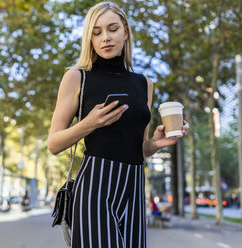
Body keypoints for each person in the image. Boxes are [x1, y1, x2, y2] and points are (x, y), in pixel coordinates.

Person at [47, 2, 188, 248]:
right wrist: (88, 124)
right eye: (97, 32)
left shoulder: (144, 84)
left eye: (112, 29)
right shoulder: (76, 77)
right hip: (95, 186)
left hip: (134, 186)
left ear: (126, 32)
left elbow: (139, 148)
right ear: (89, 38)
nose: (106, 38)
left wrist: (155, 144)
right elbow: (53, 144)